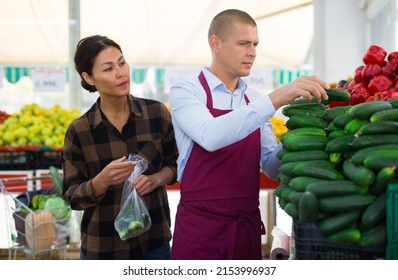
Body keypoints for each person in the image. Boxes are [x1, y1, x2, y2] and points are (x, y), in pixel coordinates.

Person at [169, 9, 330, 260]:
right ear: (216, 44)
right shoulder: (186, 91)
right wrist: (278, 97)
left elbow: (271, 167)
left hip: (246, 232)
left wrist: (298, 135)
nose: (252, 52)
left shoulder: (254, 100)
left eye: (255, 44)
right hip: (200, 235)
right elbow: (210, 136)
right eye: (243, 43)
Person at [62, 35, 178, 260]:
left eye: (122, 63)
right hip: (103, 248)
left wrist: (156, 179)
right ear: (89, 78)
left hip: (154, 244)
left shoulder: (156, 114)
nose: (120, 73)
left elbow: (175, 164)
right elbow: (72, 196)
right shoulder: (80, 131)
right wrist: (101, 181)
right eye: (108, 69)